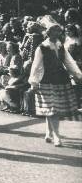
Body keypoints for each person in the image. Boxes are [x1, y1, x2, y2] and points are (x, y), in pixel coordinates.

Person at [29, 17, 82, 147]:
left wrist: (78, 74)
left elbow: (69, 61)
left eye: (58, 31)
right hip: (46, 80)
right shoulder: (42, 48)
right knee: (52, 108)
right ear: (48, 33)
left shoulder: (60, 46)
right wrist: (34, 82)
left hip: (60, 80)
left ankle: (49, 132)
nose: (57, 33)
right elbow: (36, 65)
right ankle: (57, 136)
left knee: (53, 109)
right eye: (53, 31)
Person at [64, 24, 82, 108]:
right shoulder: (67, 39)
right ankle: (72, 103)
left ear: (74, 31)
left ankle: (77, 103)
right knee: (70, 83)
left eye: (69, 30)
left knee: (76, 83)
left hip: (75, 63)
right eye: (66, 30)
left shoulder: (77, 40)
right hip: (67, 63)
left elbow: (78, 53)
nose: (68, 32)